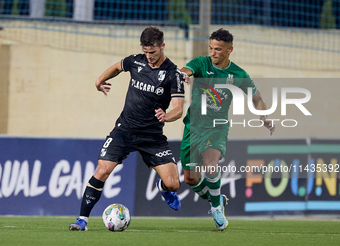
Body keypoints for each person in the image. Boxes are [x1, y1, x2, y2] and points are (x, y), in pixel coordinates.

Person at [69, 26, 185, 231]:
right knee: (102, 170)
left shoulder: (173, 73)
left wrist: (167, 116)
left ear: (162, 46)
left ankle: (163, 187)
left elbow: (179, 109)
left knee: (174, 184)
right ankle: (82, 220)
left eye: (153, 52)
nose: (149, 56)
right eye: (146, 51)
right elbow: (116, 67)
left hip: (152, 136)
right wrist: (100, 80)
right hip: (124, 131)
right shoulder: (135, 60)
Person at [180, 28, 275, 230]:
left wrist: (263, 115)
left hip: (216, 127)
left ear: (229, 50)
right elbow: (184, 71)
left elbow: (257, 98)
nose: (213, 53)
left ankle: (216, 208)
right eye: (211, 48)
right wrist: (183, 76)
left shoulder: (238, 74)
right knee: (190, 178)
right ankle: (217, 198)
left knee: (210, 163)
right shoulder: (201, 63)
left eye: (218, 49)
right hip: (193, 127)